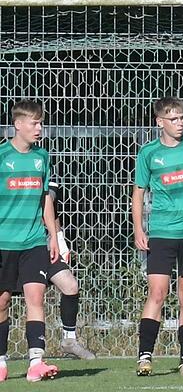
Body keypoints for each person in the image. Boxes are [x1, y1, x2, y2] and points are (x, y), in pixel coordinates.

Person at [132, 97, 183, 376]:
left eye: (182, 118)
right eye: (174, 119)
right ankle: (144, 356)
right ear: (160, 122)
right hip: (162, 232)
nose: (180, 124)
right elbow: (138, 193)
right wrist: (139, 228)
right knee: (157, 292)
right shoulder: (149, 153)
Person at [0, 99, 60, 382]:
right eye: (34, 123)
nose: (39, 128)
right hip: (3, 242)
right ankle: (1, 360)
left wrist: (54, 235)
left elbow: (46, 199)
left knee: (36, 297)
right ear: (18, 125)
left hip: (34, 240)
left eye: (41, 123)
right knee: (2, 302)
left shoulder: (42, 157)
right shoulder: (2, 155)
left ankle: (36, 361)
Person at [44, 180, 96, 360]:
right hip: (14, 245)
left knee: (70, 286)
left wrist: (59, 240)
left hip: (42, 246)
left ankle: (69, 341)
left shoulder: (41, 163)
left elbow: (50, 205)